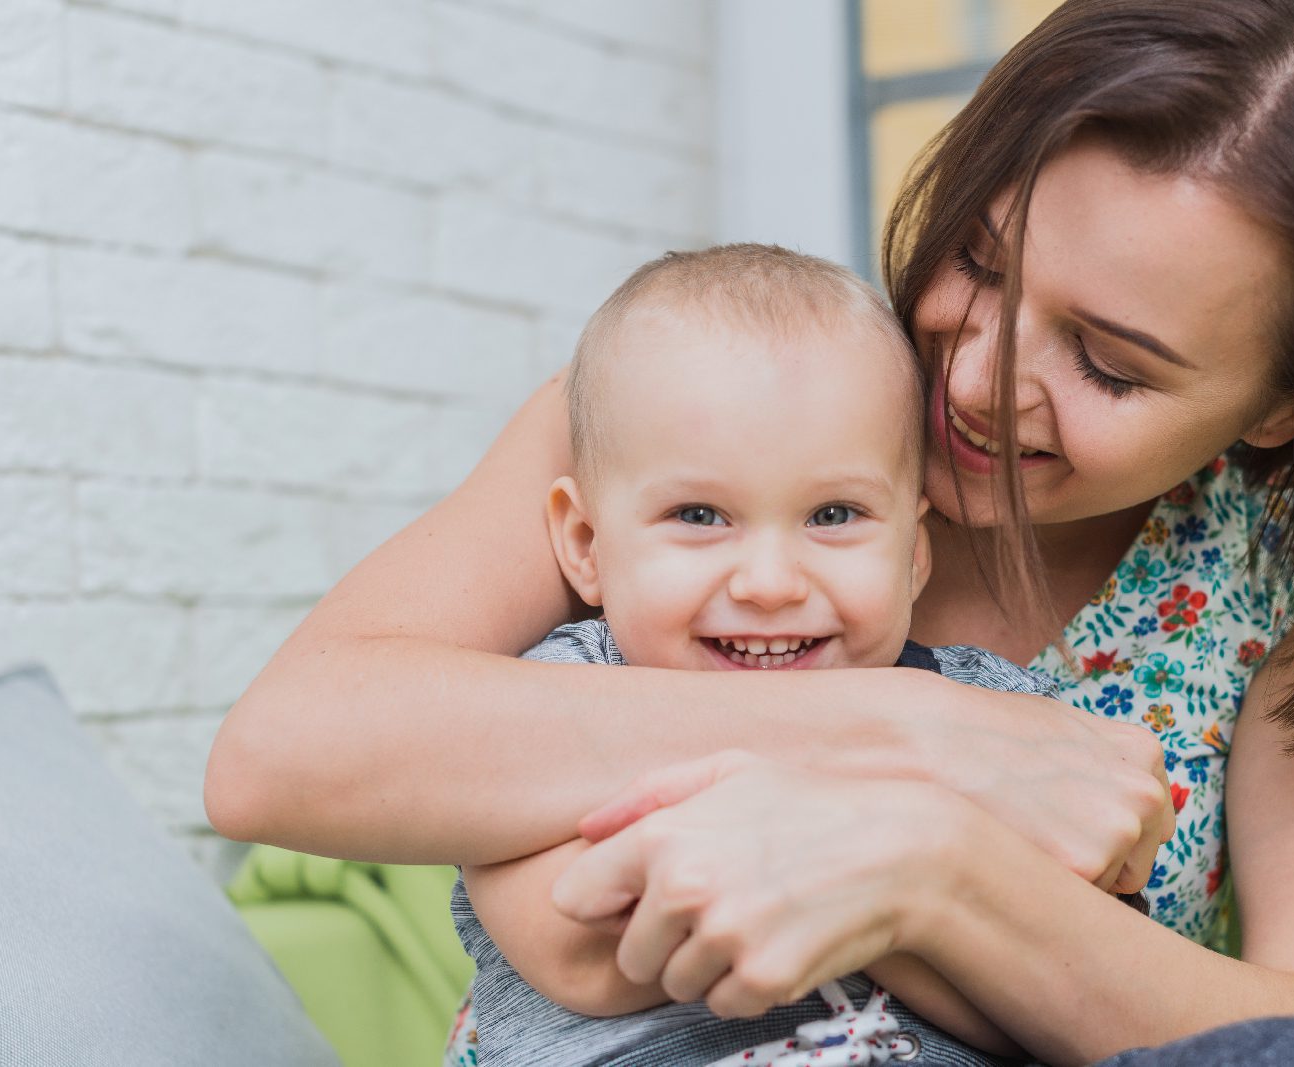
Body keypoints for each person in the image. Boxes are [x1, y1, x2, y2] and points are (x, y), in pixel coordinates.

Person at [205, 1, 1294, 1062]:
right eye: (982, 263)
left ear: (1290, 400)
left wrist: (929, 867)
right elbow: (282, 755)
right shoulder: (713, 393)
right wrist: (916, 733)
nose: (978, 375)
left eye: (1107, 362)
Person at [454, 242, 1136, 1064]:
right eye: (701, 515)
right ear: (587, 543)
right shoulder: (552, 694)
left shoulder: (996, 716)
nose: (772, 581)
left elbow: (1073, 992)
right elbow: (584, 951)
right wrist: (927, 891)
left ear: (914, 551)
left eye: (834, 514)